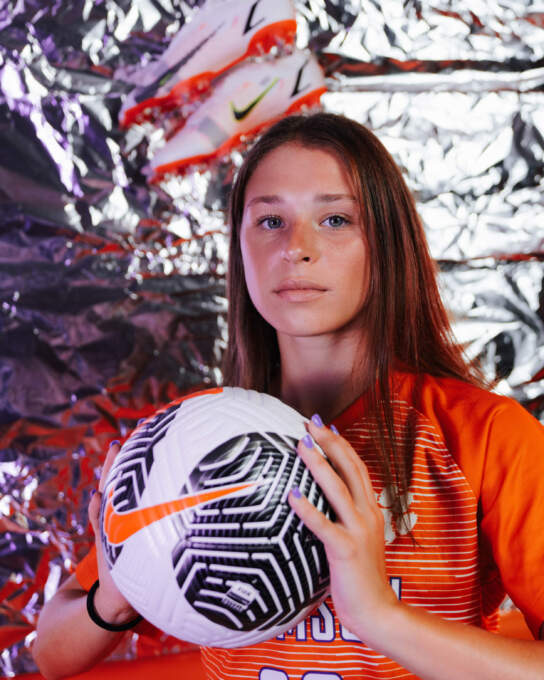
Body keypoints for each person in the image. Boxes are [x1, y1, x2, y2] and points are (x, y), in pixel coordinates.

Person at [32, 112, 544, 680]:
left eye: (335, 219)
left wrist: (379, 616)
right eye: (271, 220)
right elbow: (50, 653)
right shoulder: (195, 442)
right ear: (241, 247)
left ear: (387, 242)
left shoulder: (485, 435)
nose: (296, 248)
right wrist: (118, 593)